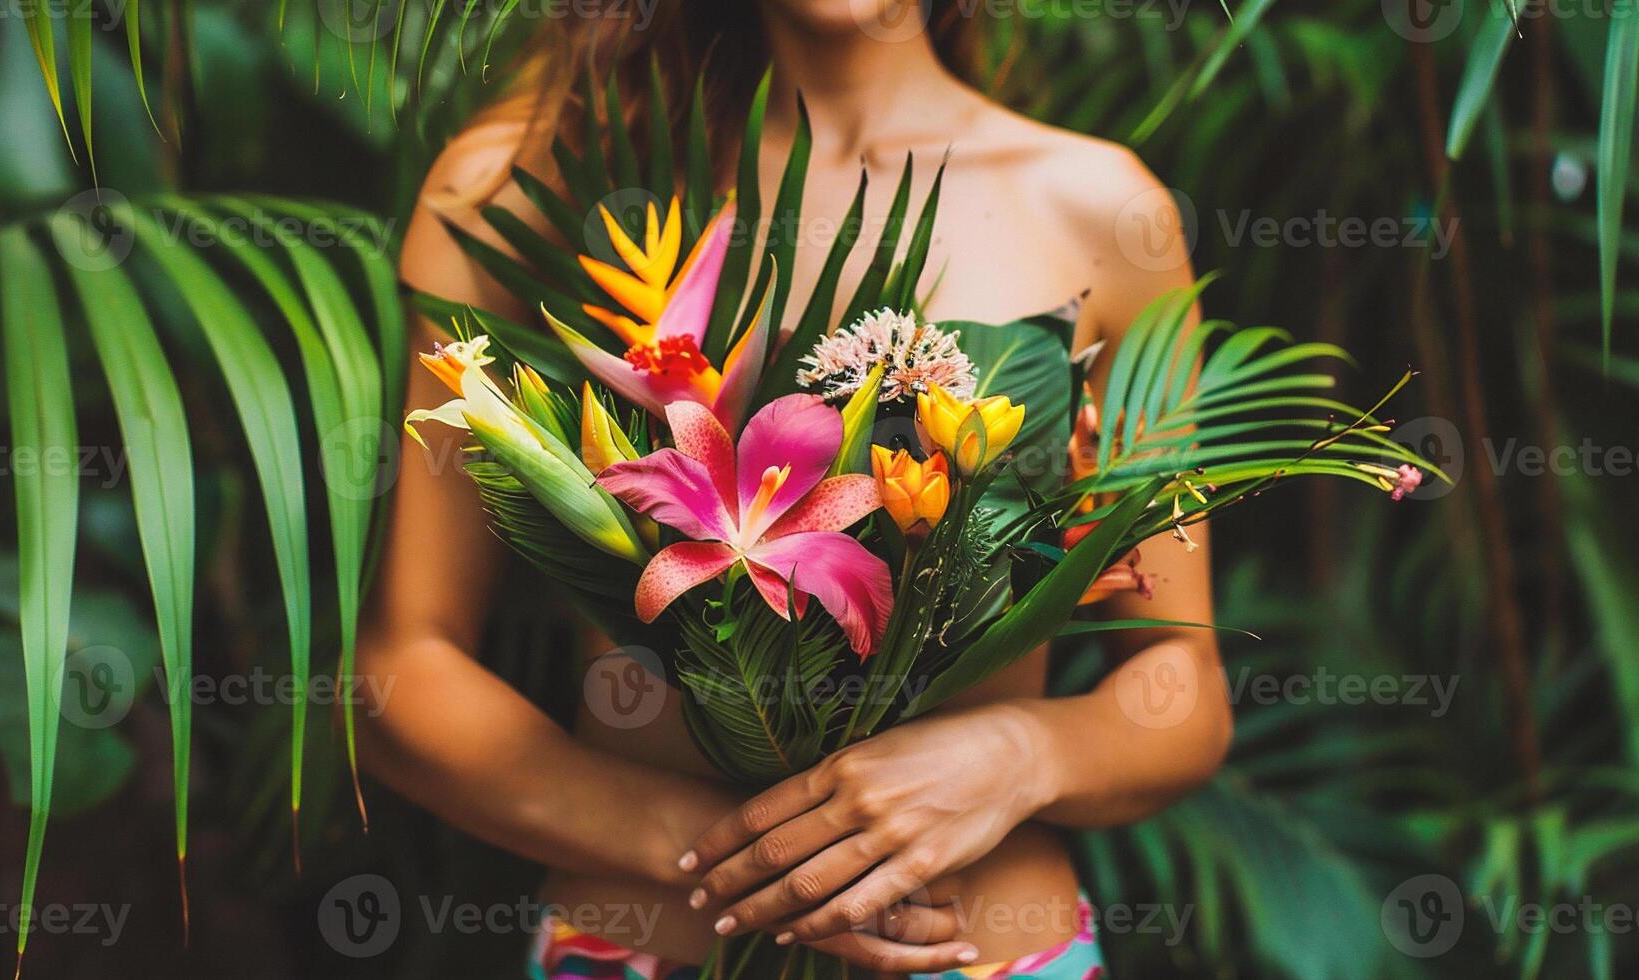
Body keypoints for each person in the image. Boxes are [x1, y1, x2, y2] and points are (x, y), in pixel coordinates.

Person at [361, 1, 1233, 976]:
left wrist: (1017, 755)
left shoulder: (1098, 208)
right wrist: (745, 854)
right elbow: (401, 675)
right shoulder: (527, 190)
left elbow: (1182, 687)